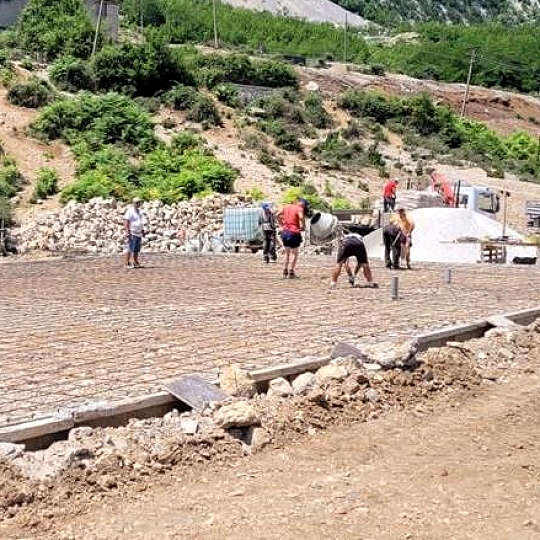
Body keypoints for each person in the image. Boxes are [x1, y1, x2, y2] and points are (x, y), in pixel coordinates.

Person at [277, 197, 308, 279]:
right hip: (294, 232)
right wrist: (303, 225)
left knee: (287, 253)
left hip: (285, 232)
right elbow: (301, 217)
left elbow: (277, 215)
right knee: (294, 253)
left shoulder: (286, 206)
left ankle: (285, 270)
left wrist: (281, 224)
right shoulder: (299, 209)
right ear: (302, 204)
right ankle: (291, 272)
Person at [124, 197, 146, 268]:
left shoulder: (139, 211)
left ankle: (135, 262)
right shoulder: (130, 211)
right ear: (133, 203)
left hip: (138, 233)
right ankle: (127, 263)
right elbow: (126, 221)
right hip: (132, 232)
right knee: (130, 248)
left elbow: (141, 221)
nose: (138, 204)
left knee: (136, 249)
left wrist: (142, 230)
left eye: (139, 202)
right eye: (136, 203)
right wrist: (127, 231)